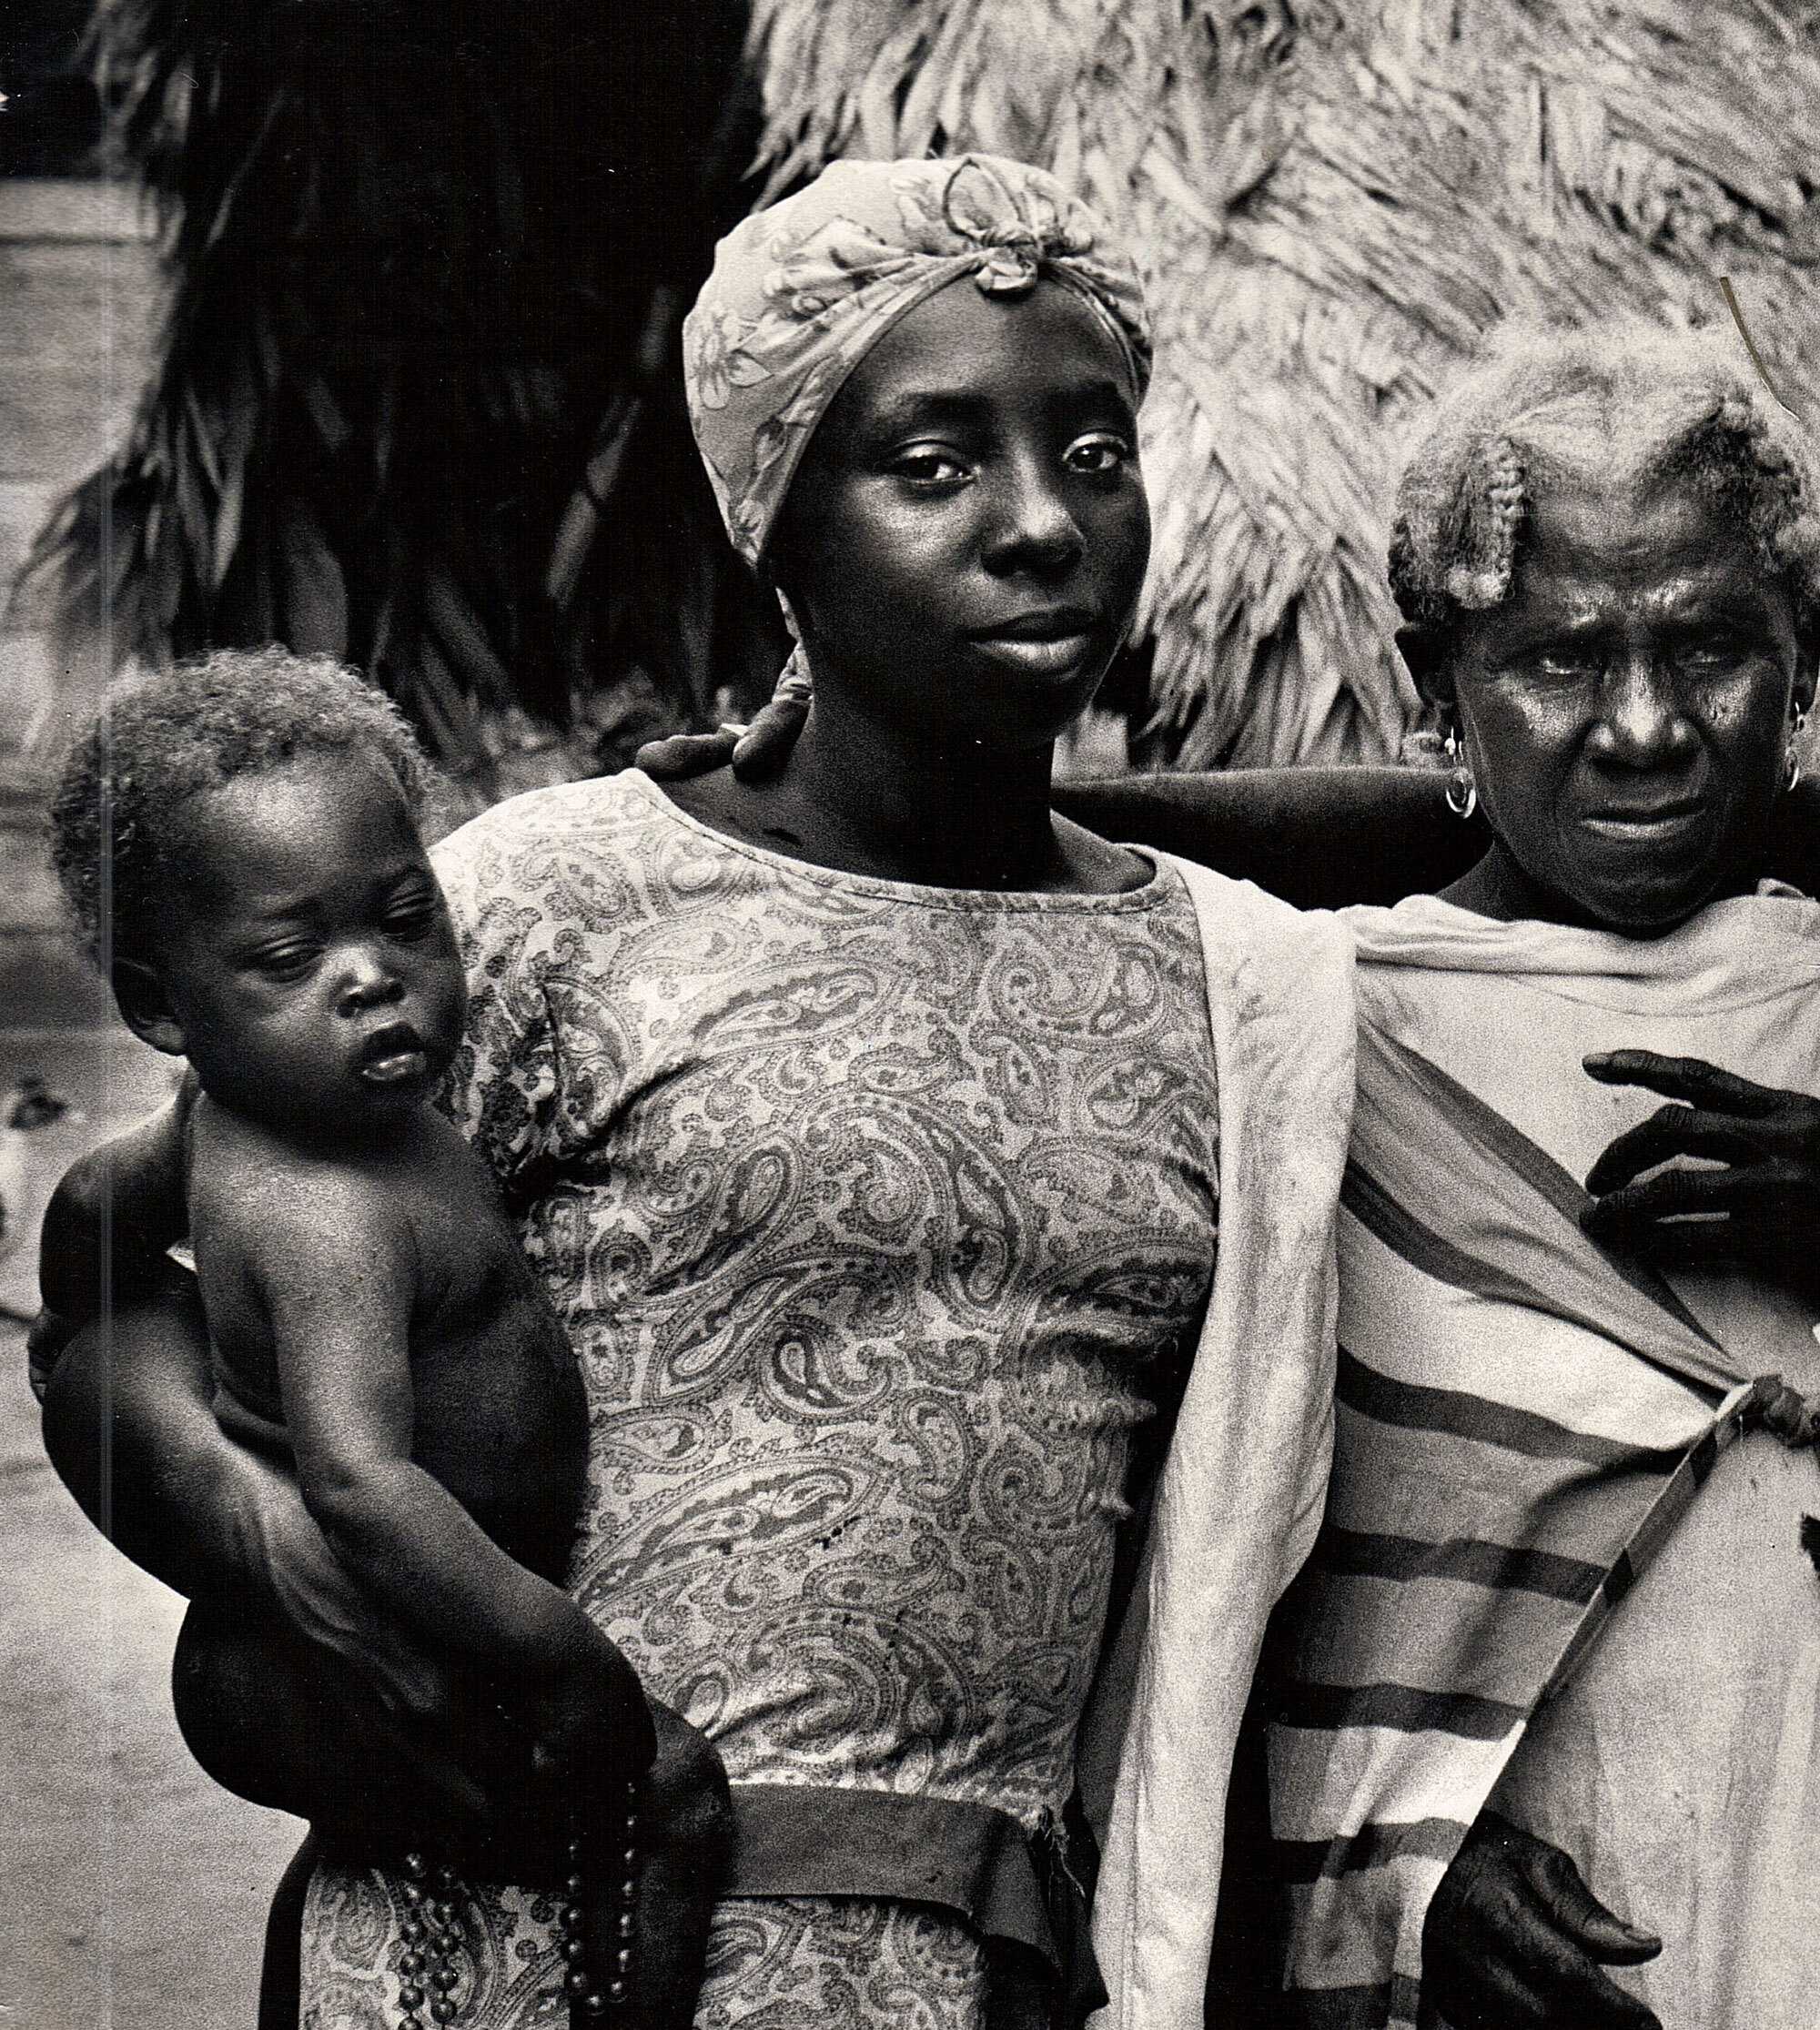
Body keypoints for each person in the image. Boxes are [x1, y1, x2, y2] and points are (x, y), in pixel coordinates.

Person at [35, 156, 1356, 2029]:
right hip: (510, 1926)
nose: (1040, 524)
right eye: (932, 464)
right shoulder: (545, 907)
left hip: (959, 1969)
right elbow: (106, 1282)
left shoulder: (1232, 985)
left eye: (1092, 450)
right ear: (776, 526)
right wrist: (267, 1550)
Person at [641, 322, 1820, 2029]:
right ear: (1437, 683)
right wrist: (1397, 1844)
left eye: (1714, 649)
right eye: (1559, 662)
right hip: (1526, 1903)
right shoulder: (1298, 1022)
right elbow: (1181, 1534)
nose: (1644, 728)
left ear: (1802, 666)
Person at [36, 651, 672, 2015]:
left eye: (405, 921)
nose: (372, 982)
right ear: (164, 1008)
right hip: (357, 1648)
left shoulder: (278, 1117)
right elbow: (361, 1484)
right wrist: (562, 1651)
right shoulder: (320, 1207)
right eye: (290, 958)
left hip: (351, 1633)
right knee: (651, 1799)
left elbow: (91, 1209)